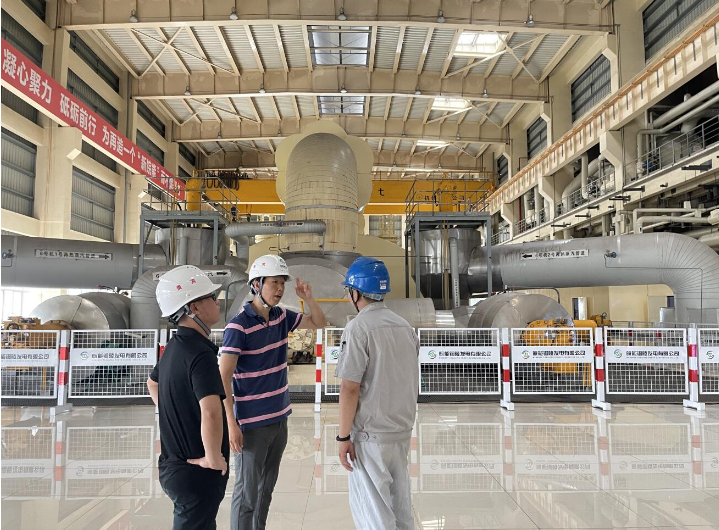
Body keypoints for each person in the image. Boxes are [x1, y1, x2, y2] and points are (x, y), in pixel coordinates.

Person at [219, 254, 327, 530]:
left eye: (282, 283)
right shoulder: (238, 326)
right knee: (247, 494)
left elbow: (319, 323)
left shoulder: (281, 317)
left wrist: (309, 298)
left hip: (279, 419)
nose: (280, 289)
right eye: (274, 283)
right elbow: (223, 377)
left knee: (266, 490)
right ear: (256, 284)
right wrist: (231, 424)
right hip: (251, 424)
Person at [335, 257, 420, 530]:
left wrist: (343, 437)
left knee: (374, 513)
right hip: (401, 430)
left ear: (355, 292)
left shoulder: (358, 328)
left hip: (370, 436)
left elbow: (350, 387)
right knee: (400, 508)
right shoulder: (404, 326)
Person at [147, 265, 229, 530]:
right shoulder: (200, 354)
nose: (217, 303)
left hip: (174, 465)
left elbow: (152, 383)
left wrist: (175, 412)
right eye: (212, 298)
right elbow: (211, 411)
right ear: (194, 308)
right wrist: (212, 457)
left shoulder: (175, 346)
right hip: (197, 470)